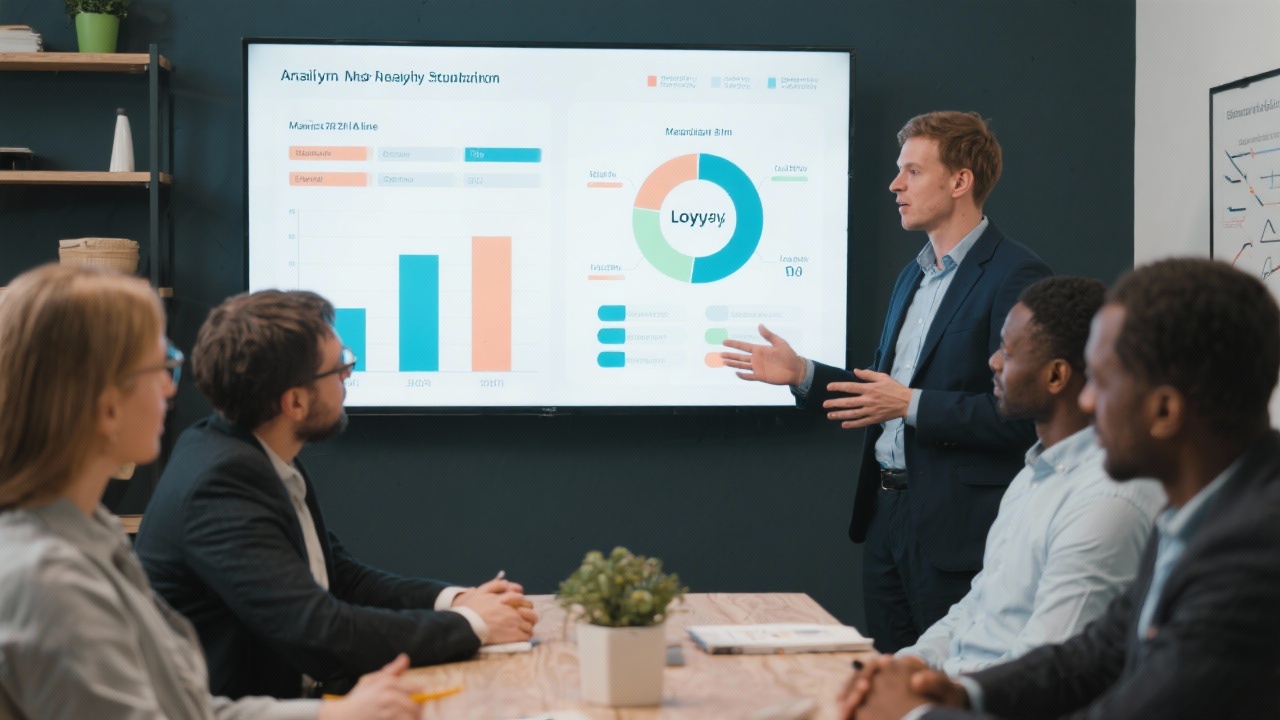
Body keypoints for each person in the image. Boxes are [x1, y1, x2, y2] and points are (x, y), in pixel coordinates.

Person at [840, 257, 1280, 720]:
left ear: (1165, 411)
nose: (1086, 400)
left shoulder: (1251, 556)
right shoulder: (1197, 512)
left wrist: (915, 714)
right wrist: (960, 695)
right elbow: (1092, 656)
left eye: (1102, 383)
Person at [0, 264, 422, 720]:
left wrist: (330, 716)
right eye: (161, 367)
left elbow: (188, 709)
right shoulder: (49, 580)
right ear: (106, 406)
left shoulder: (91, 532)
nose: (170, 388)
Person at [722, 111, 1052, 651]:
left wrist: (911, 404)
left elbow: (1023, 415)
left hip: (957, 530)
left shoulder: (1015, 274)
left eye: (913, 171)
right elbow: (882, 395)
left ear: (960, 181)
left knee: (949, 678)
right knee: (891, 675)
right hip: (886, 518)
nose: (894, 185)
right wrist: (802, 374)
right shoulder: (912, 276)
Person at [135, 289, 539, 700]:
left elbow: (339, 577)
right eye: (339, 366)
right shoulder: (220, 484)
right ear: (294, 402)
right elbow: (321, 633)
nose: (348, 375)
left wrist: (456, 600)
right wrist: (474, 624)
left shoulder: (252, 453)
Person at [896, 276, 1164, 674]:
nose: (993, 361)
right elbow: (977, 608)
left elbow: (1044, 670)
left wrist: (934, 693)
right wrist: (908, 665)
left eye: (1007, 352)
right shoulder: (1032, 476)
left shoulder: (1106, 499)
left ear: (1056, 376)